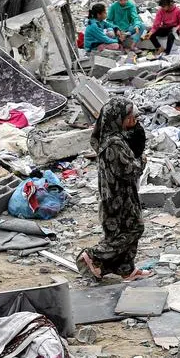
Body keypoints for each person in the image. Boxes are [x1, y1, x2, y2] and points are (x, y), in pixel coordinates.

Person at [77, 98, 151, 282]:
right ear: (118, 118)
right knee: (133, 229)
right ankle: (93, 256)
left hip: (118, 193)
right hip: (118, 196)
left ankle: (126, 269)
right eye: (128, 117)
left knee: (122, 230)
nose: (132, 120)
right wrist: (142, 160)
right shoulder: (114, 144)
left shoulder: (112, 138)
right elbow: (129, 170)